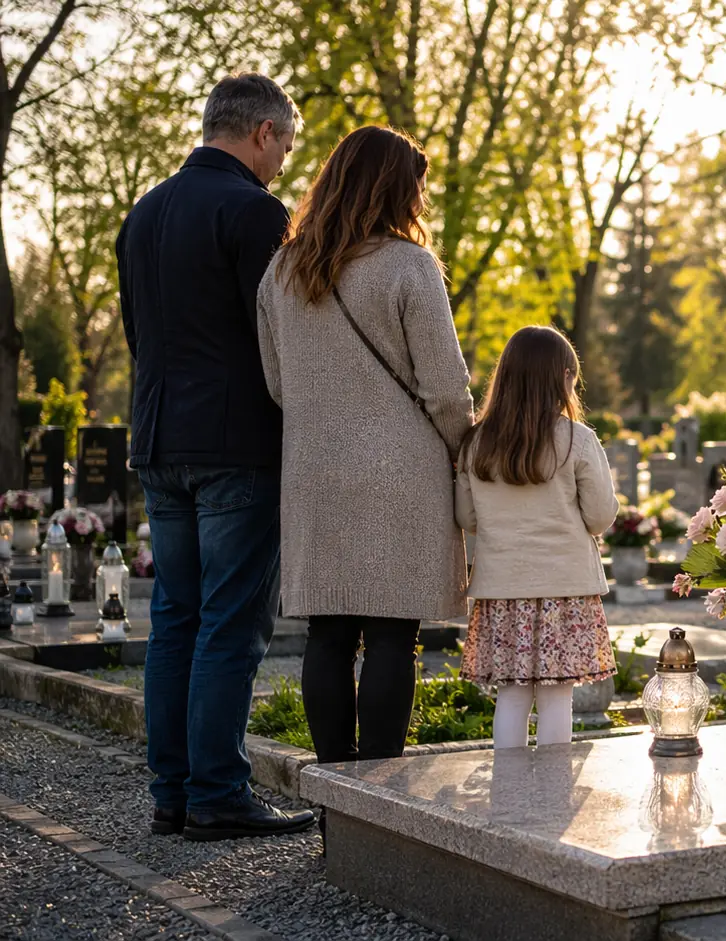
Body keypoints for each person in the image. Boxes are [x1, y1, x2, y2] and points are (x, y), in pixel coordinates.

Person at [117, 73, 316, 841]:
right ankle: (218, 792)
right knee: (231, 622)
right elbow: (279, 338)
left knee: (175, 618)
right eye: (285, 147)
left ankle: (172, 793)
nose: (283, 165)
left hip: (158, 437)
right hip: (235, 445)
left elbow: (142, 333)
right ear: (262, 131)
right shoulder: (254, 211)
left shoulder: (145, 213)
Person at [257, 126, 474, 765]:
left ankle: (333, 798)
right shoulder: (410, 266)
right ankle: (378, 798)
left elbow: (276, 382)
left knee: (326, 637)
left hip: (312, 470)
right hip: (400, 474)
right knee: (389, 637)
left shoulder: (282, 271)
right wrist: (466, 449)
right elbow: (445, 388)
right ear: (396, 190)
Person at [455, 326, 617, 749]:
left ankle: (507, 793)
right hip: (565, 588)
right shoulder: (577, 440)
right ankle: (548, 793)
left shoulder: (476, 443)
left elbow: (466, 517)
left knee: (510, 695)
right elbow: (600, 517)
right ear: (562, 377)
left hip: (502, 588)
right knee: (556, 696)